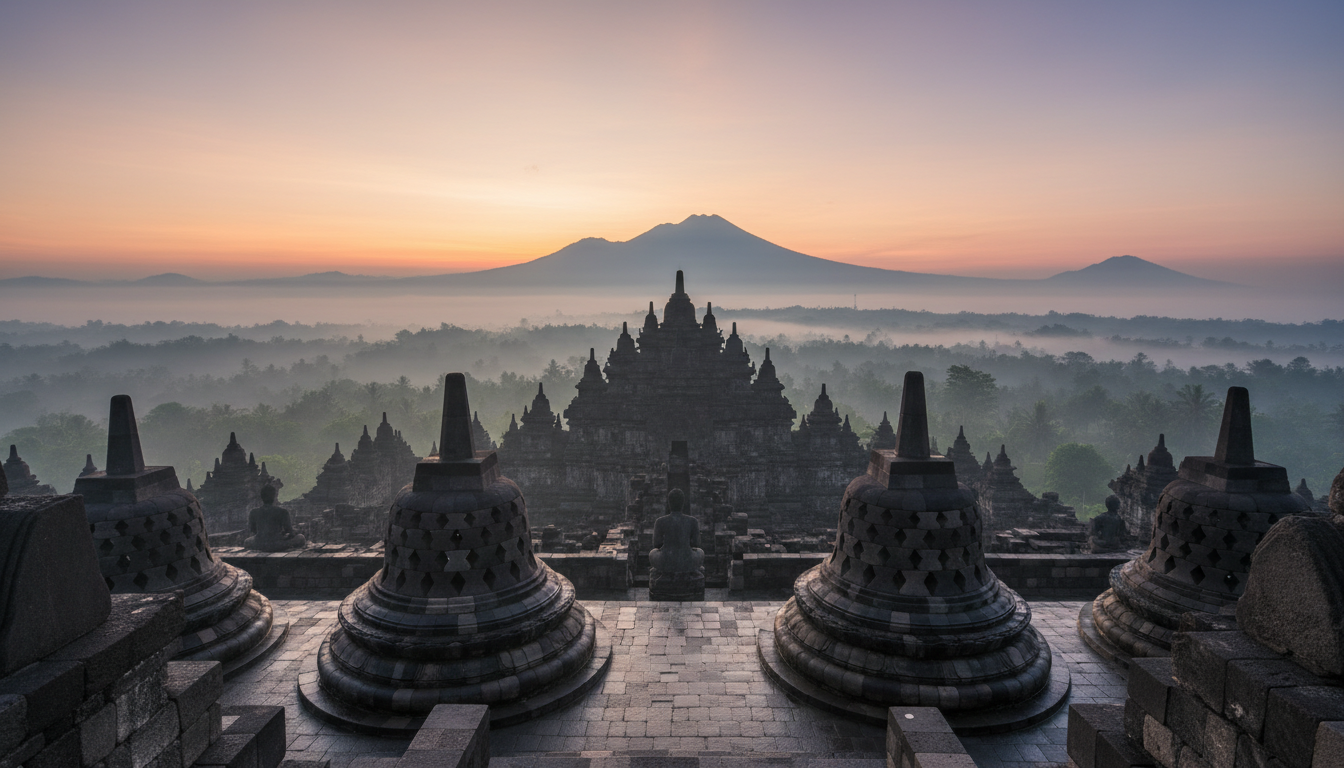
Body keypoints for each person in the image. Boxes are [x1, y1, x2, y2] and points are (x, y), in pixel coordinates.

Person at [244, 484, 307, 551]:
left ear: (262, 497)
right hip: (277, 544)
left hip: (260, 544)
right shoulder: (282, 511)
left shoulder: (253, 512)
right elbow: (289, 531)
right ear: (274, 496)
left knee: (247, 541)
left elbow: (252, 530)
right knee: (301, 537)